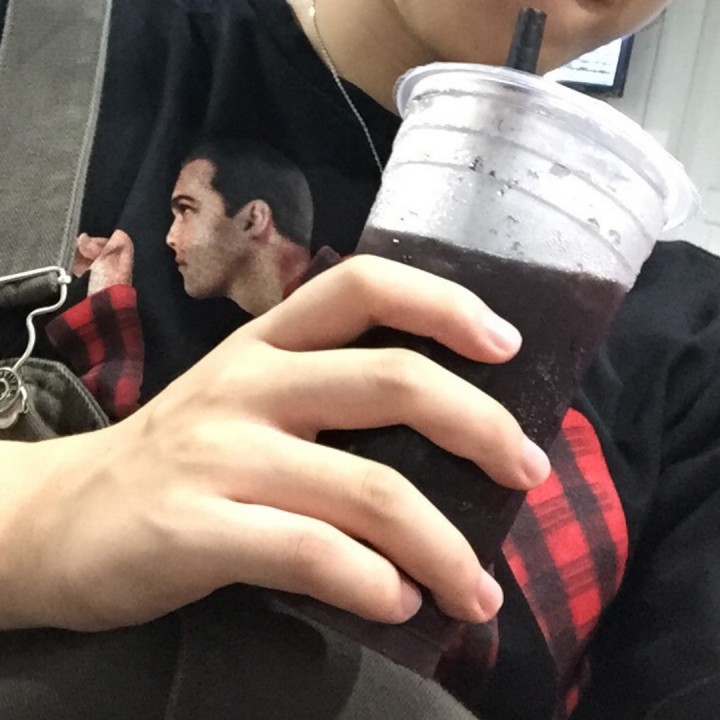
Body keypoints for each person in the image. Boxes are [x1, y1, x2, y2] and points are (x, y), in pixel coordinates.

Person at [0, 1, 719, 719]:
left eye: (185, 213)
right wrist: (38, 514)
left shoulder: (688, 345)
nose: (169, 237)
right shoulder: (44, 51)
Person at [167, 139, 315, 315]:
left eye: (186, 209)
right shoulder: (308, 312)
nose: (170, 238)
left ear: (252, 219)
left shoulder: (336, 306)